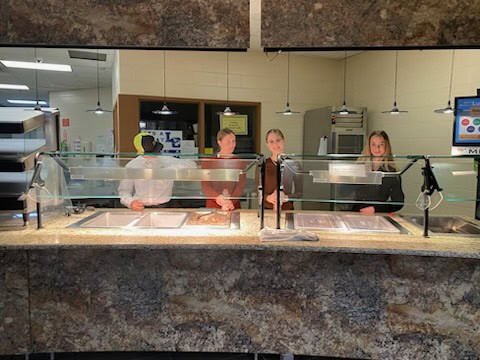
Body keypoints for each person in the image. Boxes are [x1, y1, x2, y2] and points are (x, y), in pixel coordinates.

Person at [118, 132, 196, 211]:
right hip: (140, 208)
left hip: (165, 208)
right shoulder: (132, 165)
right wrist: (130, 202)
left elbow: (192, 164)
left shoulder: (166, 160)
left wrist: (168, 170)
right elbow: (124, 191)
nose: (154, 154)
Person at [346, 130, 404, 214]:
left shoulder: (392, 172)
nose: (377, 148)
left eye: (381, 144)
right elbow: (343, 192)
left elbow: (398, 202)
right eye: (373, 144)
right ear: (368, 146)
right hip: (357, 212)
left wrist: (375, 209)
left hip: (379, 215)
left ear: (386, 147)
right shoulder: (360, 166)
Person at [201, 128, 246, 210]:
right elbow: (205, 185)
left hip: (233, 206)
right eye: (228, 141)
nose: (232, 145)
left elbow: (240, 186)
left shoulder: (240, 161)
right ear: (219, 142)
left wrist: (231, 201)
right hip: (213, 205)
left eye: (233, 141)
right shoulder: (208, 160)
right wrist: (217, 197)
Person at [262, 129, 302, 210]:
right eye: (271, 141)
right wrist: (268, 198)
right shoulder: (262, 164)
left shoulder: (294, 163)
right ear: (267, 144)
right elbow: (257, 192)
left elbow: (300, 192)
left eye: (278, 140)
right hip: (267, 211)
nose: (275, 144)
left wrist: (286, 197)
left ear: (283, 141)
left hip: (287, 210)